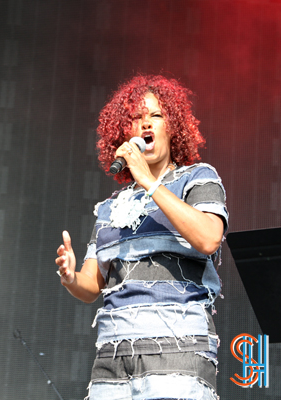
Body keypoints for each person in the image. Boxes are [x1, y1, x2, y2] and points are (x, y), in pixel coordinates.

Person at [56, 75, 228, 399]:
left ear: (172, 127)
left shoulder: (197, 177)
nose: (145, 123)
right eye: (136, 117)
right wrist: (70, 277)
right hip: (113, 360)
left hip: (179, 353)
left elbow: (208, 238)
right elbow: (92, 286)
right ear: (124, 133)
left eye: (155, 115)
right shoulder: (111, 207)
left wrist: (150, 183)